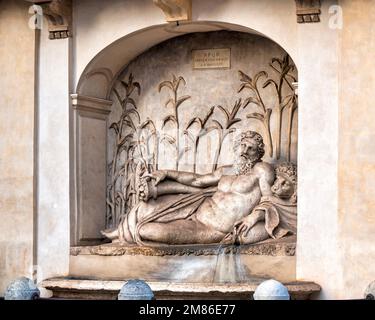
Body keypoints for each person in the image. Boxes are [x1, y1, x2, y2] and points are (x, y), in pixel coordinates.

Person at [102, 131, 275, 245]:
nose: (245, 151)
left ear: (258, 154)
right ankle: (119, 233)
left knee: (147, 230)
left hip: (212, 229)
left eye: (251, 149)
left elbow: (270, 200)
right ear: (237, 147)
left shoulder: (261, 170)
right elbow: (197, 181)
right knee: (147, 206)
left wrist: (253, 218)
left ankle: (126, 235)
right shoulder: (226, 170)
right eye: (243, 145)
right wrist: (165, 173)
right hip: (195, 211)